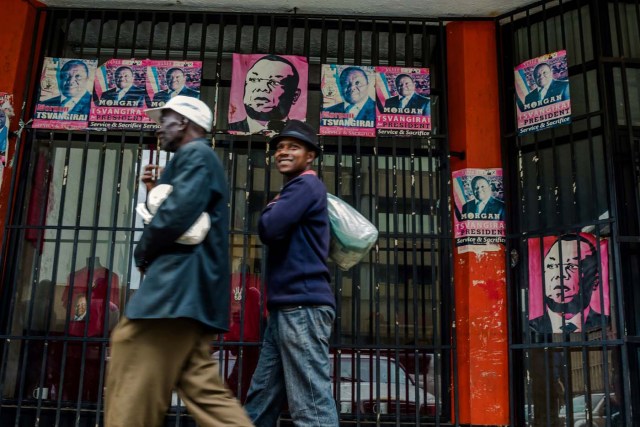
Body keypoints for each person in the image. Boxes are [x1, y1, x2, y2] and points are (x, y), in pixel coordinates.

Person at [105, 95, 252, 427]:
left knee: (131, 361)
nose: (161, 127)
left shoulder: (196, 155)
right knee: (206, 394)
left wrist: (143, 251)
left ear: (184, 122)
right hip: (190, 297)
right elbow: (184, 211)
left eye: (165, 119)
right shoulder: (196, 159)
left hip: (174, 293)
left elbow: (176, 216)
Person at [244, 120, 338, 426]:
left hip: (303, 308)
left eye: (293, 147)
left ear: (310, 156)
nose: (283, 152)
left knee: (311, 406)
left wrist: (271, 209)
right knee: (261, 400)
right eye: (280, 147)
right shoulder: (295, 189)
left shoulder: (306, 186)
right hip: (287, 309)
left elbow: (270, 228)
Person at [529, 233, 608, 334]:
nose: (559, 274)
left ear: (595, 281)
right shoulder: (535, 324)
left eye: (572, 266)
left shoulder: (600, 322)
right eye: (551, 266)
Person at [229, 55, 301, 134]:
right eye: (254, 79)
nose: (262, 88)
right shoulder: (232, 129)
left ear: (295, 96)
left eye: (274, 82)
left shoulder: (298, 135)